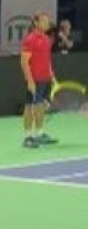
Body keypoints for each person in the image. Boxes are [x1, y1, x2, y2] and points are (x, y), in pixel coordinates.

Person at [19, 12, 57, 149]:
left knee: (40, 107)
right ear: (36, 23)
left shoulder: (47, 39)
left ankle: (40, 134)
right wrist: (29, 81)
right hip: (34, 79)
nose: (47, 23)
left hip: (45, 79)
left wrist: (51, 75)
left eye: (48, 21)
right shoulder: (30, 39)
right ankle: (28, 137)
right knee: (30, 107)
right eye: (44, 21)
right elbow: (24, 62)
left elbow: (47, 60)